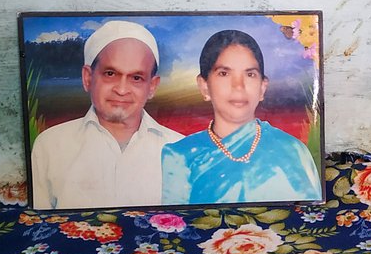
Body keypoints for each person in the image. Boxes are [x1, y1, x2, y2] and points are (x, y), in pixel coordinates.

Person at [31, 20, 183, 209]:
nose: (121, 90)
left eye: (136, 78)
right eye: (110, 74)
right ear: (88, 77)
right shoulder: (50, 146)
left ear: (152, 86)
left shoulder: (180, 150)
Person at [162, 29, 321, 205]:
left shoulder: (293, 150)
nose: (238, 86)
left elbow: (311, 217)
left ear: (262, 87)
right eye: (224, 73)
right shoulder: (180, 155)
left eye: (250, 74)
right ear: (204, 86)